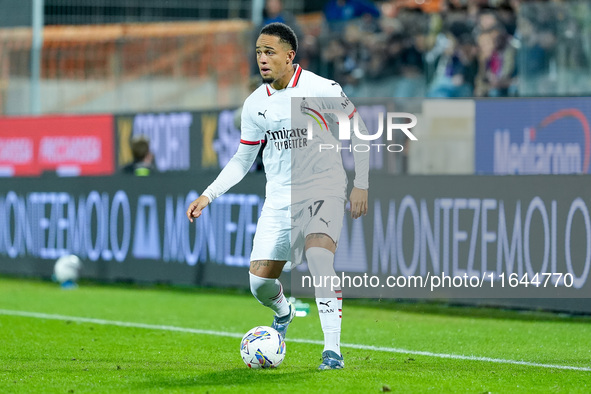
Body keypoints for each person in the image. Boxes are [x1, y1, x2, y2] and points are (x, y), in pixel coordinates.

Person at [186, 22, 369, 370]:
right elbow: (243, 159)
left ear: (290, 55)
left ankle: (333, 351)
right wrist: (208, 195)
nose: (262, 59)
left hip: (323, 189)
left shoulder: (322, 88)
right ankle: (284, 312)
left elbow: (358, 131)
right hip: (279, 200)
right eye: (258, 52)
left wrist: (362, 182)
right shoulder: (255, 104)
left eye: (269, 52)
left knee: (319, 260)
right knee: (259, 283)